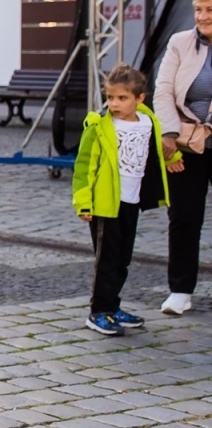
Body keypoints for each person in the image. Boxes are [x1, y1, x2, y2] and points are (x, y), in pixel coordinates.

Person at [73, 64, 179, 336]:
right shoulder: (99, 125)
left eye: (122, 98)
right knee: (106, 259)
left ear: (139, 98)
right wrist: (84, 203)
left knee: (122, 258)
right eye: (110, 98)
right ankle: (98, 311)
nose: (115, 104)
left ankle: (113, 307)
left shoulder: (148, 120)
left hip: (131, 201)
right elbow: (84, 167)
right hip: (105, 204)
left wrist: (174, 158)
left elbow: (156, 148)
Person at [155, 0, 212, 315]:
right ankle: (180, 290)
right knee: (183, 217)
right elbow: (162, 90)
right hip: (185, 143)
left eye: (209, 10)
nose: (203, 17)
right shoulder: (179, 43)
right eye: (199, 10)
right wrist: (168, 135)